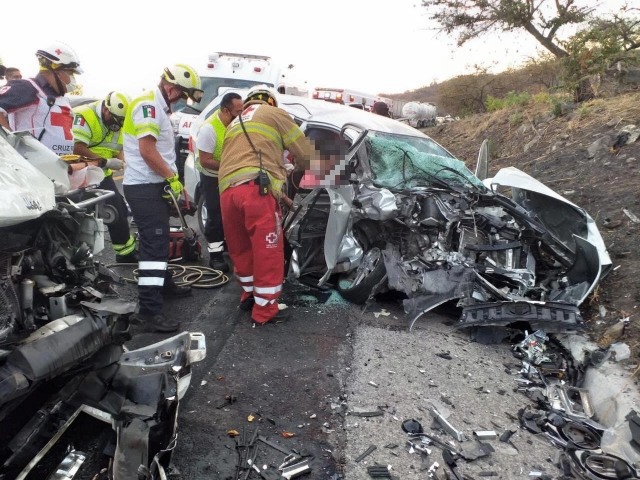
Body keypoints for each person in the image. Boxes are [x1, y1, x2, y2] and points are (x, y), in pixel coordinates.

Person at [218, 85, 313, 325]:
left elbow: (246, 165)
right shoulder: (274, 114)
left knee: (242, 249)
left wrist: (282, 197)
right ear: (270, 102)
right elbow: (305, 155)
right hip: (255, 194)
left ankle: (249, 296)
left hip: (228, 194)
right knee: (268, 251)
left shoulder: (234, 123)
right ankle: (265, 310)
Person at [122, 64, 203, 333]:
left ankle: (164, 285)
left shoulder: (158, 107)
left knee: (159, 240)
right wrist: (172, 178)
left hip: (152, 186)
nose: (180, 100)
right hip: (145, 187)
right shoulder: (149, 106)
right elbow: (147, 150)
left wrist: (170, 183)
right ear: (171, 88)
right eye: (181, 95)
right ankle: (149, 310)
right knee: (154, 247)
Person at [72, 91, 138, 263]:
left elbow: (118, 148)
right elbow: (77, 148)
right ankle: (75, 255)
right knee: (78, 215)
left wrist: (121, 162)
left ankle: (124, 252)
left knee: (118, 210)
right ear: (106, 110)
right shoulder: (85, 116)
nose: (117, 126)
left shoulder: (120, 121)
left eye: (120, 123)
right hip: (80, 174)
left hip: (102, 175)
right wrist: (105, 162)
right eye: (115, 122)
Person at [0, 43, 83, 156]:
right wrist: (11, 141)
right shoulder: (27, 87)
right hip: (33, 169)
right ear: (57, 72)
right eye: (70, 73)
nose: (73, 79)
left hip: (60, 168)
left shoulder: (62, 98)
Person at [195, 91, 244, 272]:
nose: (242, 115)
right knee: (215, 216)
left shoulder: (237, 126)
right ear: (225, 111)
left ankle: (229, 247)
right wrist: (230, 165)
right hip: (212, 179)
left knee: (232, 216)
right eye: (238, 112)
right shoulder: (209, 129)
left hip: (231, 177)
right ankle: (215, 256)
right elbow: (205, 160)